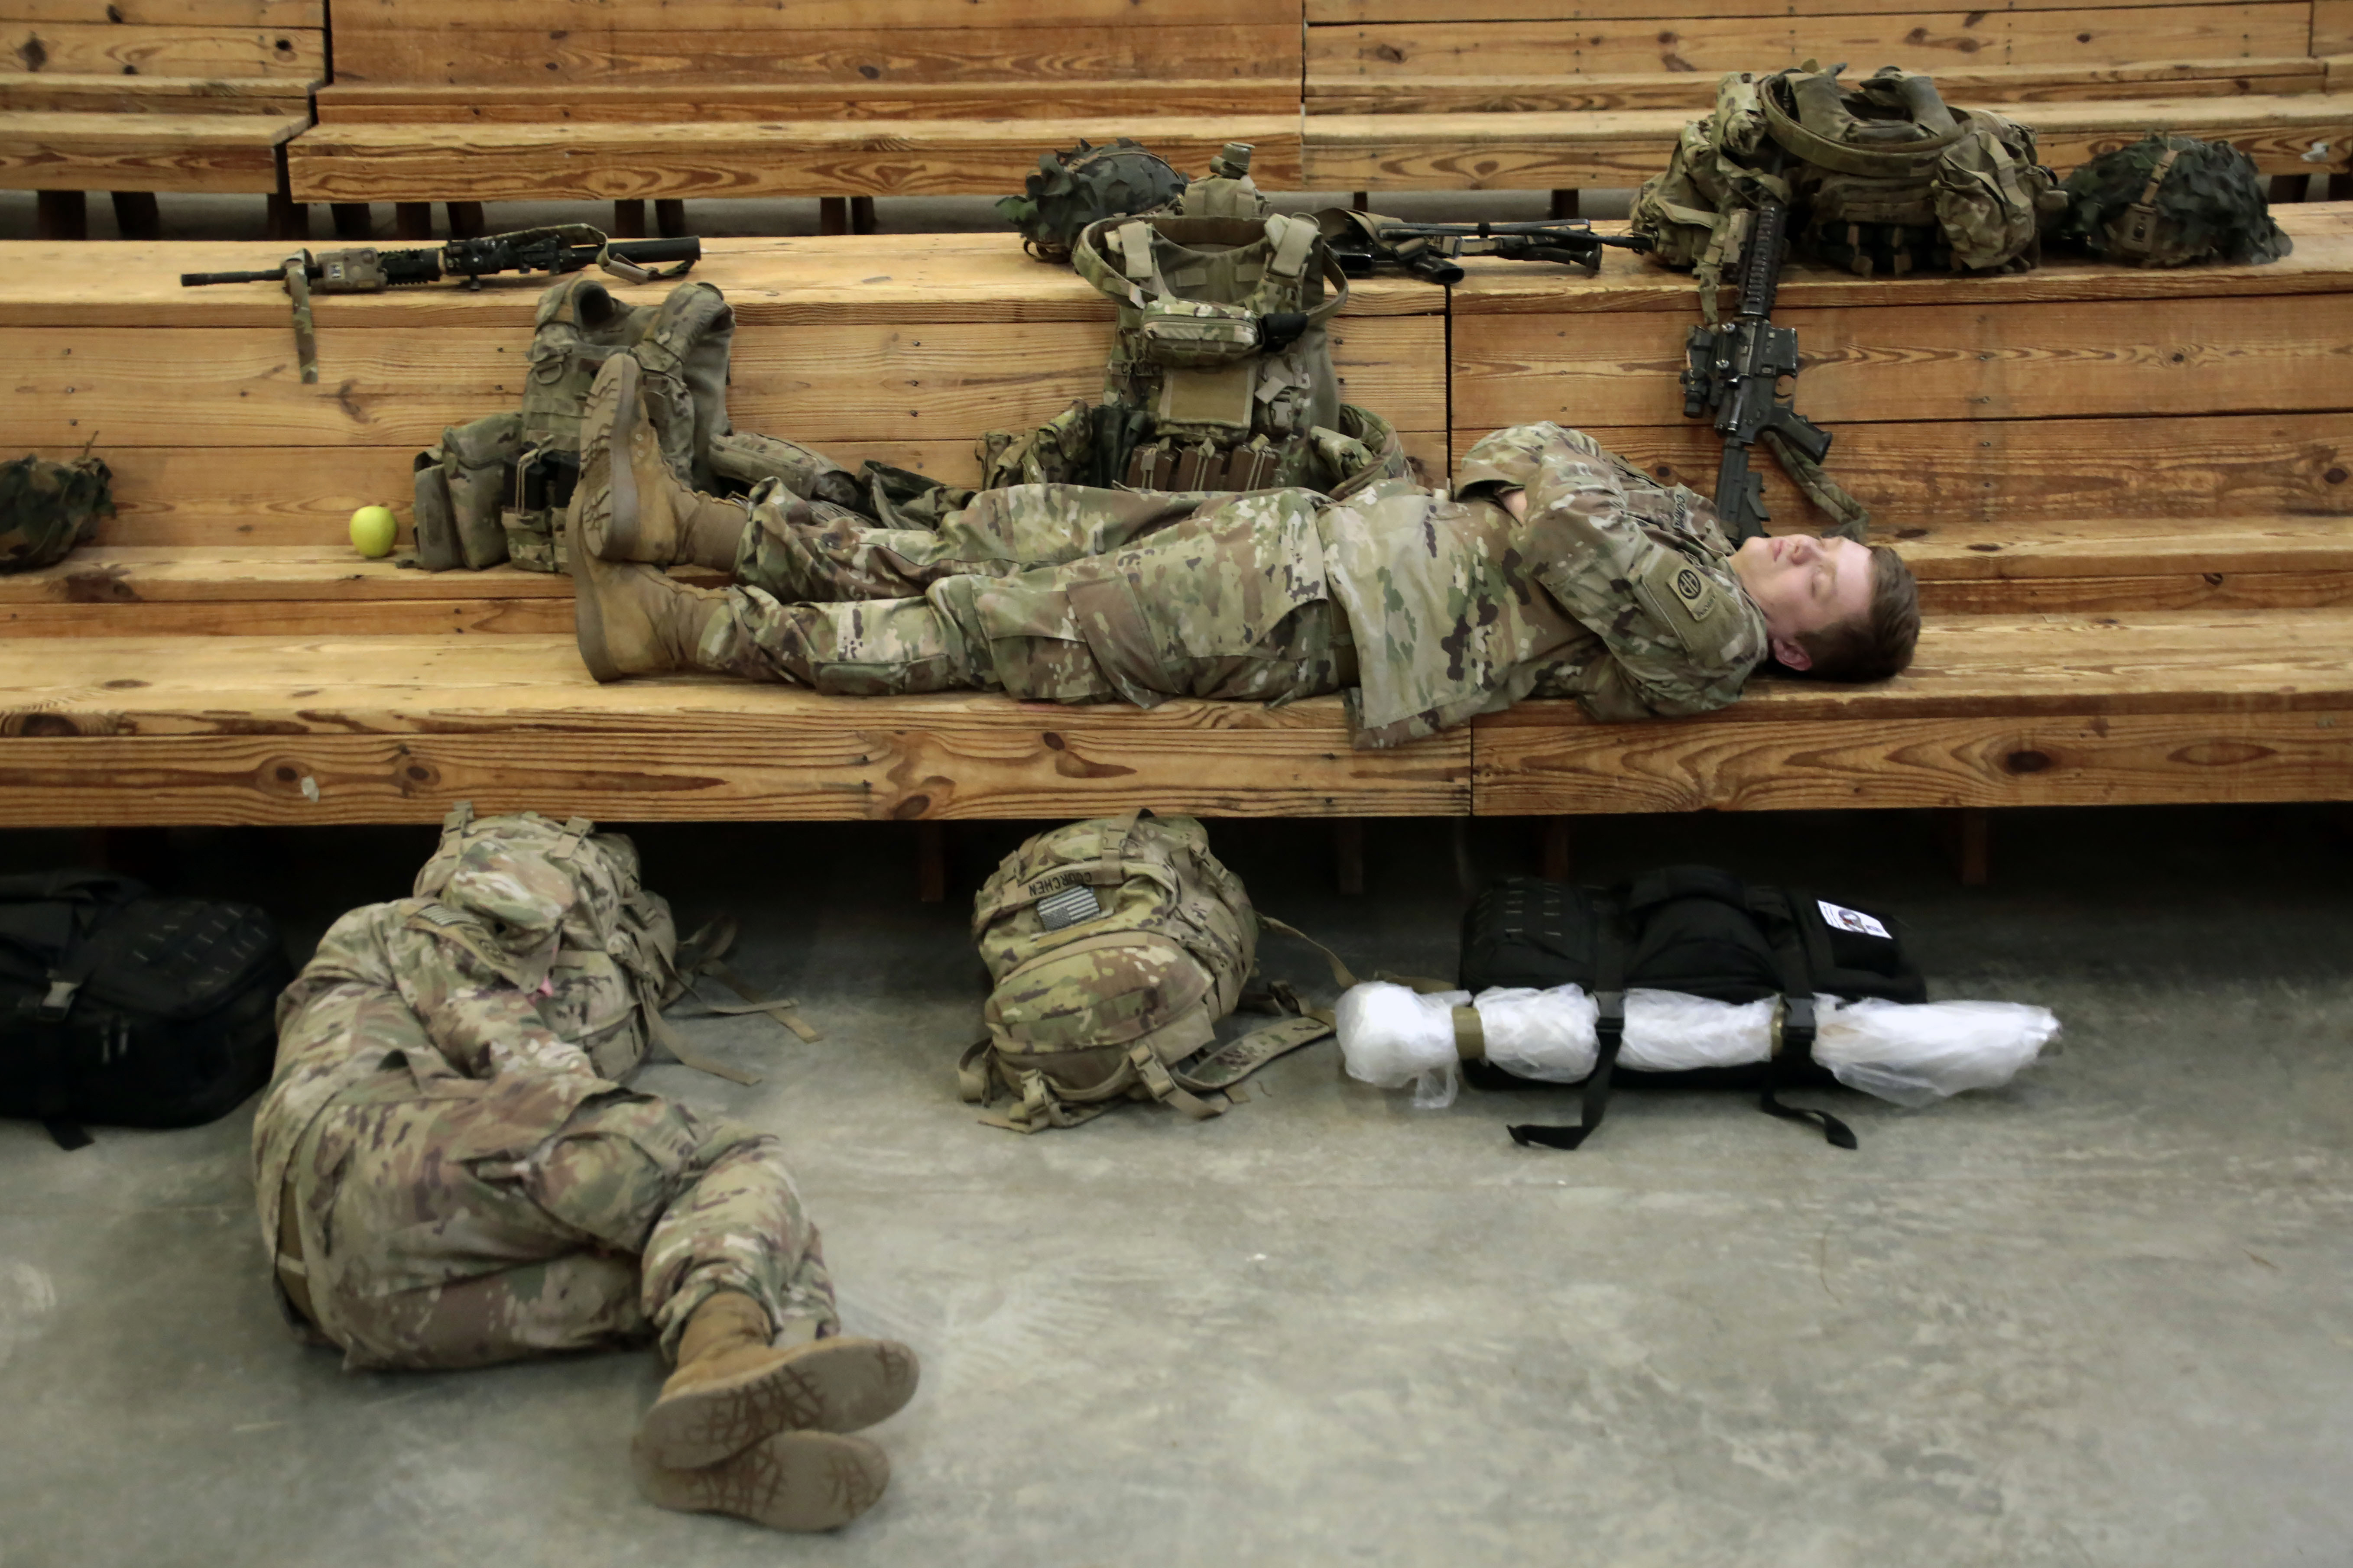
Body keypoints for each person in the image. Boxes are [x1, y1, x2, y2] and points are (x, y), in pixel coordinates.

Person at [566, 355, 1918, 748]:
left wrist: (1542, 505)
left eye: (1819, 582)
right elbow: (1531, 442)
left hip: (1310, 621)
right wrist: (1539, 503)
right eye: (1819, 548)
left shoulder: (1717, 645)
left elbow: (1552, 493)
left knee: (989, 623)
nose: (1798, 552)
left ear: (1801, 644)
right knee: (994, 531)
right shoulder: (1683, 537)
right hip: (1302, 540)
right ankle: (685, 525)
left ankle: (674, 627)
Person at [253, 822, 917, 1533]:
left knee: (722, 1253)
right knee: (725, 1163)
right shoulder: (411, 929)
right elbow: (525, 1063)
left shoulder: (357, 953)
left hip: (348, 1297)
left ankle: (730, 1425)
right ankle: (730, 1354)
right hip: (380, 1159)